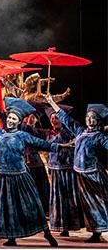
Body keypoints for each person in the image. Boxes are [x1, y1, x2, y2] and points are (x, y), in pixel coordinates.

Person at [0, 97, 64, 247]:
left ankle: (47, 233)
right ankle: (11, 237)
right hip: (2, 177)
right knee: (6, 208)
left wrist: (61, 146)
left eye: (14, 119)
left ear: (18, 122)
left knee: (31, 205)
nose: (10, 121)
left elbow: (41, 143)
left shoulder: (22, 135)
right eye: (9, 118)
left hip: (19, 176)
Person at [46, 96, 108, 243]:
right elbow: (66, 118)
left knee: (98, 202)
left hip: (93, 174)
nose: (90, 120)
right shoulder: (80, 131)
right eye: (88, 117)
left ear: (98, 120)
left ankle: (99, 229)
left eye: (93, 118)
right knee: (88, 204)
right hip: (80, 174)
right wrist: (51, 102)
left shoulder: (99, 136)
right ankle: (96, 232)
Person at [22, 107, 84, 237]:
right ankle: (62, 227)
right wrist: (28, 118)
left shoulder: (70, 133)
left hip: (69, 170)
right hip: (55, 170)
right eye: (52, 118)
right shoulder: (47, 133)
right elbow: (28, 131)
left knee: (70, 197)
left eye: (57, 117)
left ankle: (74, 223)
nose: (54, 120)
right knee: (59, 198)